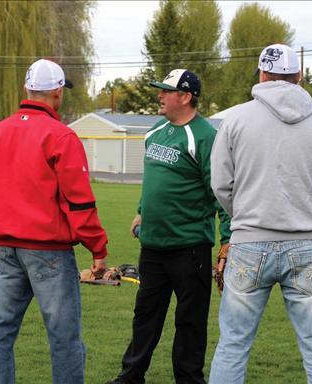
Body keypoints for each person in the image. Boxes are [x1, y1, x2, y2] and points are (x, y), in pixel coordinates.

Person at [209, 43, 312, 384]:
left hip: (249, 244)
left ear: (262, 73)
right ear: (298, 75)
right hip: (307, 245)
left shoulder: (235, 119)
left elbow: (222, 184)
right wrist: (308, 212)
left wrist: (246, 215)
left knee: (233, 345)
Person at [0, 58, 108, 384]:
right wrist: (97, 248)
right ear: (57, 92)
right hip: (48, 249)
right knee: (64, 337)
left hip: (5, 245)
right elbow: (79, 201)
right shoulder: (61, 136)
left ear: (27, 89)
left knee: (0, 332)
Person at [107, 69, 231, 384]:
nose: (159, 96)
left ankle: (188, 380)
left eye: (166, 91)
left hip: (190, 248)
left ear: (186, 96)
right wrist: (140, 211)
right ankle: (131, 376)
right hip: (153, 247)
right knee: (145, 316)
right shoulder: (156, 130)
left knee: (189, 322)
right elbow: (154, 180)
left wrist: (228, 241)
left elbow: (222, 194)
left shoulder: (205, 137)